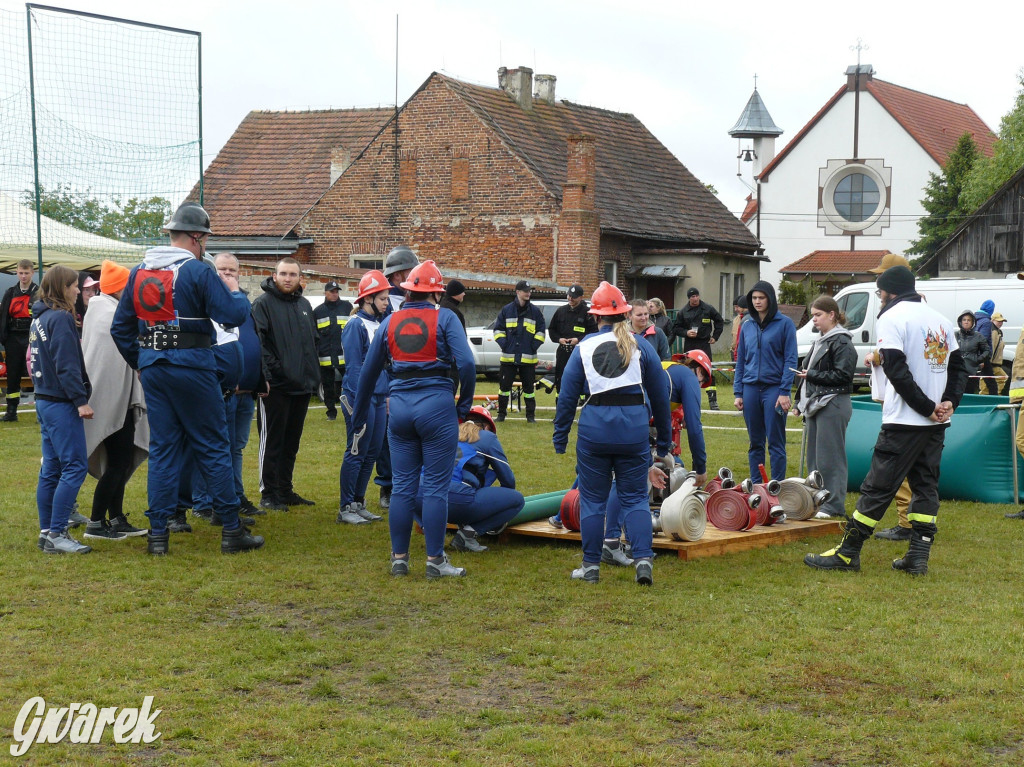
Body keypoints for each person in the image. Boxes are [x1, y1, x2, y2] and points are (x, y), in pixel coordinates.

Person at [111, 202, 263, 555]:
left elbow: (120, 329)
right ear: (196, 237)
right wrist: (235, 290)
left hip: (155, 367)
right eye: (205, 239)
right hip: (193, 365)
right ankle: (231, 529)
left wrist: (143, 362)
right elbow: (232, 315)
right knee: (213, 445)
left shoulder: (138, 272)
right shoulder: (196, 270)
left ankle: (158, 535)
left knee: (163, 449)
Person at [805, 265, 966, 575]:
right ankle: (917, 556)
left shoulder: (891, 317)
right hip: (936, 423)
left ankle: (848, 553)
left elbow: (895, 368)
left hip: (904, 420)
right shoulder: (941, 320)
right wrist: (948, 402)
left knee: (877, 488)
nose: (879, 298)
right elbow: (959, 367)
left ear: (889, 292)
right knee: (926, 487)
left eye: (879, 293)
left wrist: (925, 407)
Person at [349, 260, 476, 578]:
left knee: (403, 487)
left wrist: (359, 416)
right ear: (436, 293)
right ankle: (435, 561)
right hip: (437, 406)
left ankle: (399, 559)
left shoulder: (390, 321)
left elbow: (368, 373)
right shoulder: (446, 317)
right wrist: (463, 408)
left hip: (400, 408)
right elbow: (466, 364)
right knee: (435, 488)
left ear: (408, 292)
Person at [552, 281, 672, 586]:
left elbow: (567, 397)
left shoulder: (583, 347)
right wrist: (664, 441)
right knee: (635, 499)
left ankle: (590, 566)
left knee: (593, 500)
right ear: (626, 314)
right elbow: (661, 396)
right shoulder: (641, 345)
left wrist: (560, 436)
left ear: (595, 316)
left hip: (595, 429)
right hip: (633, 429)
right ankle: (643, 560)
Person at [81, 260, 149, 541]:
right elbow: (111, 361)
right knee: (118, 462)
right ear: (121, 288)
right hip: (112, 402)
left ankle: (117, 518)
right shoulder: (109, 314)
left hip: (118, 399)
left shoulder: (101, 310)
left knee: (120, 460)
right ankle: (96, 522)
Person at [28, 265, 94, 554]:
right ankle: (57, 532)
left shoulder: (39, 318)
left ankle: (47, 533)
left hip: (43, 400)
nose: (78, 290)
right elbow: (66, 364)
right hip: (61, 403)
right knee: (75, 465)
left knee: (51, 468)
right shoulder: (62, 318)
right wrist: (81, 401)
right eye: (74, 285)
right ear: (62, 288)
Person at [251, 257, 320, 511]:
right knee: (272, 441)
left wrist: (312, 377)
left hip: (302, 386)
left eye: (292, 274)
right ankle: (268, 493)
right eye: (283, 274)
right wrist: (270, 374)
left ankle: (285, 489)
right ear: (274, 276)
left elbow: (312, 342)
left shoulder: (304, 305)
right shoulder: (262, 304)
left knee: (291, 442)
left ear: (300, 278)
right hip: (276, 387)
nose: (288, 279)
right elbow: (259, 343)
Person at [414, 405, 525, 552]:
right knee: (516, 500)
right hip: (453, 497)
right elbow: (508, 481)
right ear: (487, 427)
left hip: (416, 495)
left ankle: (429, 528)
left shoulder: (444, 432)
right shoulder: (487, 437)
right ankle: (466, 536)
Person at [792, 295, 856, 519]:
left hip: (833, 403)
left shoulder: (842, 342)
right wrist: (798, 402)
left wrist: (812, 375)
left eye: (818, 315)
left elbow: (844, 375)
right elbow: (806, 374)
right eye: (813, 315)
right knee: (815, 458)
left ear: (832, 315)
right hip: (816, 403)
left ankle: (834, 505)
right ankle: (818, 500)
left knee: (831, 458)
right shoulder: (821, 341)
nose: (814, 320)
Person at [337, 269, 390, 525]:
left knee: (372, 451)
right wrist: (361, 401)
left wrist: (387, 393)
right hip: (360, 396)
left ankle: (358, 502)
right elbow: (354, 367)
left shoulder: (379, 324)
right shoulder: (354, 325)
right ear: (368, 298)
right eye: (382, 298)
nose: (387, 303)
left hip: (379, 397)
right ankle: (345, 506)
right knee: (356, 450)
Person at [733, 281, 797, 483]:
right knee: (755, 442)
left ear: (770, 299)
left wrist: (784, 391)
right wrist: (738, 392)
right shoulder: (747, 325)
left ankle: (777, 487)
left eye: (761, 297)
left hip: (774, 389)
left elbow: (791, 359)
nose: (757, 301)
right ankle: (756, 486)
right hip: (750, 388)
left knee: (776, 442)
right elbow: (741, 360)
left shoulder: (785, 324)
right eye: (754, 298)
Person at [374, 244, 419, 509]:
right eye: (411, 271)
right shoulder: (383, 303)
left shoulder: (417, 298)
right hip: (391, 375)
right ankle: (388, 485)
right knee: (388, 434)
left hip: (415, 372)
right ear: (399, 275)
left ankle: (412, 483)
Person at [494, 280, 546, 422]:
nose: (528, 293)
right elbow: (498, 330)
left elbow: (541, 332)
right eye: (525, 291)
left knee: (529, 391)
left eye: (529, 291)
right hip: (508, 358)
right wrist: (505, 344)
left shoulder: (535, 312)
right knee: (504, 388)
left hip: (528, 359)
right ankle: (501, 415)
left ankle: (530, 416)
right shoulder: (506, 310)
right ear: (517, 292)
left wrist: (533, 346)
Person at [669, 287, 723, 410]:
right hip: (690, 345)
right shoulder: (683, 312)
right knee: (689, 372)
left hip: (704, 344)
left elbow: (719, 321)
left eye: (697, 296)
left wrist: (715, 336)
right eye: (693, 297)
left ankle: (713, 401)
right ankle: (687, 399)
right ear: (689, 298)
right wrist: (686, 333)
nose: (695, 298)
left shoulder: (708, 308)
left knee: (708, 372)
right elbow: (676, 328)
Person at [1, 259, 38, 422]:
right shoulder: (10, 292)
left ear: (32, 273)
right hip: (13, 338)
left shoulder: (38, 292)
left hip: (32, 337)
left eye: (26, 273)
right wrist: (4, 337)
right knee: (13, 375)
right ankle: (11, 411)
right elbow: (3, 316)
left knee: (37, 373)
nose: (23, 276)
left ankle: (41, 410)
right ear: (16, 272)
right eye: (21, 273)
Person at [548, 284, 596, 394]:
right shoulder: (561, 311)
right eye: (569, 295)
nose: (570, 298)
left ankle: (582, 399)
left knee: (580, 378)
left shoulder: (588, 313)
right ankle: (560, 398)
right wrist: (559, 339)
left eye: (573, 297)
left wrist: (578, 340)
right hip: (563, 352)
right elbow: (552, 330)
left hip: (580, 352)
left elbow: (593, 332)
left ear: (581, 297)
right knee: (561, 378)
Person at [314, 280, 351, 421]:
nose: (335, 294)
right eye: (332, 291)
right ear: (325, 293)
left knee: (349, 384)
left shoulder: (347, 307)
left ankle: (351, 409)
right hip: (325, 356)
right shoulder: (318, 312)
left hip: (344, 356)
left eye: (336, 291)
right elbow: (314, 335)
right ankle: (331, 412)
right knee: (328, 386)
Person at [955, 310, 990, 395]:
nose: (966, 322)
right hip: (956, 371)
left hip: (971, 371)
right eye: (964, 320)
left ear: (973, 322)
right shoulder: (955, 335)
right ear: (960, 322)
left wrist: (978, 359)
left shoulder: (978, 336)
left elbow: (986, 350)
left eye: (969, 320)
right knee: (956, 394)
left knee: (969, 393)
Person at [989, 312, 1007, 396]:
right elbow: (992, 347)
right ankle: (997, 397)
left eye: (1002, 321)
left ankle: (993, 396)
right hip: (993, 364)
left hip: (995, 364)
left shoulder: (997, 331)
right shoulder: (994, 332)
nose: (1001, 323)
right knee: (1003, 378)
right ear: (992, 320)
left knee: (987, 383)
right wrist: (989, 362)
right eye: (998, 321)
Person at [729, 295, 748, 363]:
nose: (736, 309)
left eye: (737, 307)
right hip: (734, 351)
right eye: (734, 307)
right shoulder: (736, 320)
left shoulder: (749, 320)